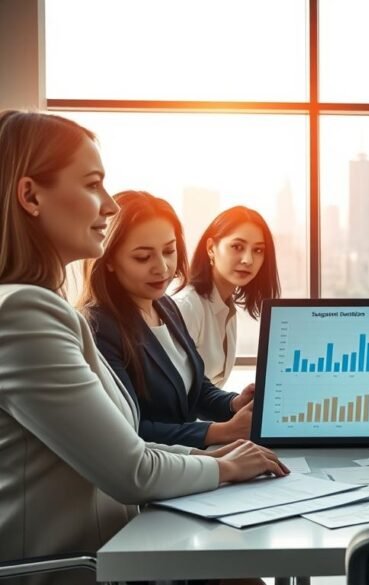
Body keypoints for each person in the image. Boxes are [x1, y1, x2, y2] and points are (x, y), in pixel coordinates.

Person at [0, 110, 285, 575]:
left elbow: (125, 445)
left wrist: (209, 453)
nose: (109, 206)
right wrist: (225, 465)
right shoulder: (24, 315)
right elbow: (133, 471)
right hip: (70, 569)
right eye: (93, 184)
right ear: (30, 195)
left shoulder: (48, 310)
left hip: (116, 550)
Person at [80, 191, 254, 449]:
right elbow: (129, 428)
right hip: (153, 473)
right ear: (109, 260)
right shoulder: (97, 326)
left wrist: (233, 403)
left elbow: (194, 389)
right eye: (143, 257)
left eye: (169, 251)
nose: (161, 267)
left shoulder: (165, 306)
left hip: (188, 462)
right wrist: (218, 433)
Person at [174, 206, 280, 387]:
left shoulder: (227, 308)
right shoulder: (188, 307)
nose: (248, 260)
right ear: (211, 248)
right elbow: (172, 396)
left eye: (258, 250)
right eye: (237, 247)